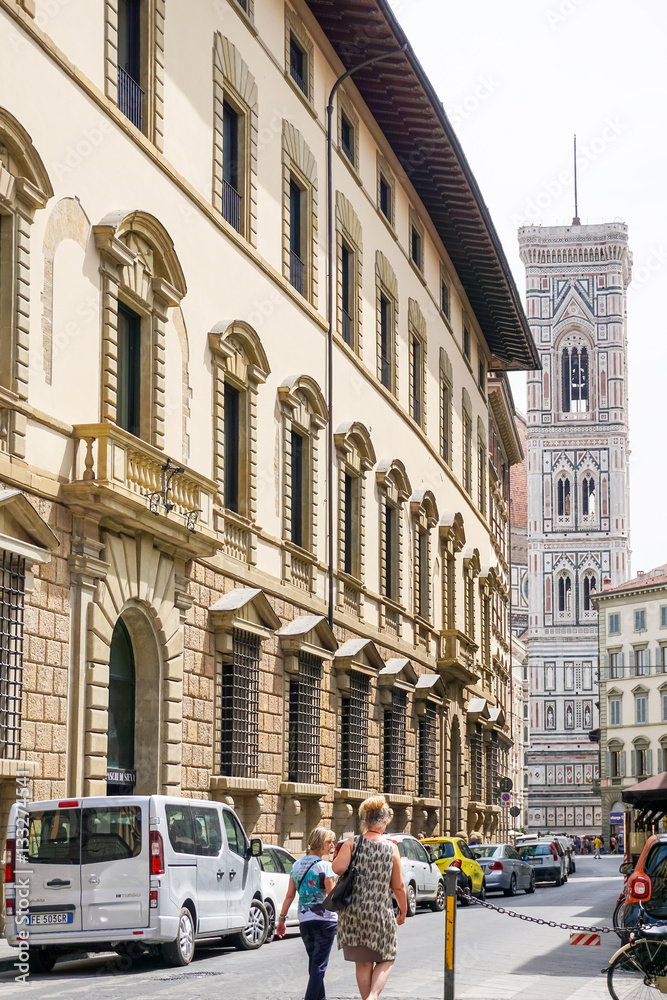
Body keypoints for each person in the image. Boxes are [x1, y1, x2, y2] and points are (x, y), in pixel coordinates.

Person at [333, 795, 407, 1000]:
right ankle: (373, 996)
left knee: (363, 962)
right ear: (385, 821)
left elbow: (337, 868)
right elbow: (398, 886)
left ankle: (369, 999)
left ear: (365, 820)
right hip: (379, 913)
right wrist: (403, 910)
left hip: (353, 913)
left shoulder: (352, 842)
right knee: (388, 956)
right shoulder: (391, 847)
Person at [277, 827, 338, 1000]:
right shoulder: (326, 866)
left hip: (305, 921)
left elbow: (290, 895)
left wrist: (282, 919)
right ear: (319, 842)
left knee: (314, 964)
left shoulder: (296, 865)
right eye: (328, 842)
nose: (331, 845)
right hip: (325, 921)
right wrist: (345, 916)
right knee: (319, 966)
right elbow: (332, 896)